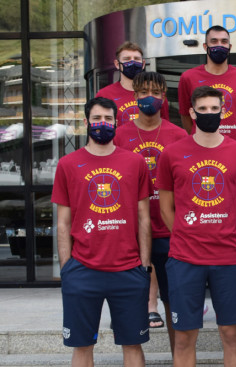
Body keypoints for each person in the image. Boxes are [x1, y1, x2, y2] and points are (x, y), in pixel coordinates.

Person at [157, 86, 236, 367]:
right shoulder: (172, 154)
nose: (208, 114)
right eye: (202, 110)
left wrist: (224, 229)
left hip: (228, 257)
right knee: (183, 337)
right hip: (184, 258)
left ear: (224, 111)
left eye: (214, 109)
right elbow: (166, 207)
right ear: (191, 113)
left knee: (231, 334)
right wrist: (185, 232)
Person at [52, 97, 152, 367]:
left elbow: (144, 217)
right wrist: (67, 269)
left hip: (129, 270)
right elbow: (63, 223)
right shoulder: (68, 164)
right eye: (96, 119)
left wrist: (144, 265)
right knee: (82, 347)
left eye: (108, 119)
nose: (102, 124)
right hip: (82, 270)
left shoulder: (135, 162)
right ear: (86, 122)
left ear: (116, 123)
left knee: (132, 345)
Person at [112, 71, 188, 352]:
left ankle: (177, 357)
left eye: (155, 93)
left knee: (174, 303)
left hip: (171, 231)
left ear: (164, 97)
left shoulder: (178, 135)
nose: (149, 98)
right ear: (134, 96)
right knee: (131, 302)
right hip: (131, 235)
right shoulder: (119, 136)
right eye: (143, 92)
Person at [178, 25, 236, 143]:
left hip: (234, 147)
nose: (219, 45)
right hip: (200, 147)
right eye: (214, 41)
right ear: (205, 46)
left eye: (224, 41)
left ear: (230, 47)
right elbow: (185, 115)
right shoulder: (188, 77)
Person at [96, 41, 170, 126]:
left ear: (143, 64)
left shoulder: (157, 95)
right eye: (127, 59)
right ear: (117, 64)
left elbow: (165, 128)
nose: (132, 62)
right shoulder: (105, 95)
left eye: (136, 59)